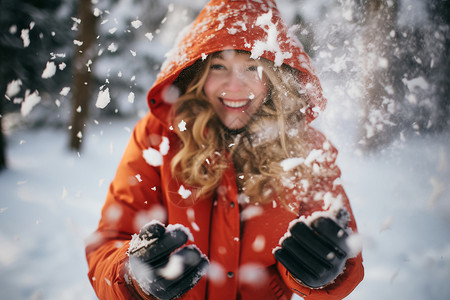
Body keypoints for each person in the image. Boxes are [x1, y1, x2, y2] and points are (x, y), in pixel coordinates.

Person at [85, 0, 364, 299]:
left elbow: (345, 254)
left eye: (252, 67)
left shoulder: (307, 150)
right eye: (218, 66)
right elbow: (109, 244)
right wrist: (133, 275)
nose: (234, 87)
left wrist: (324, 270)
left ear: (274, 76)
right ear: (197, 73)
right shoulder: (158, 138)